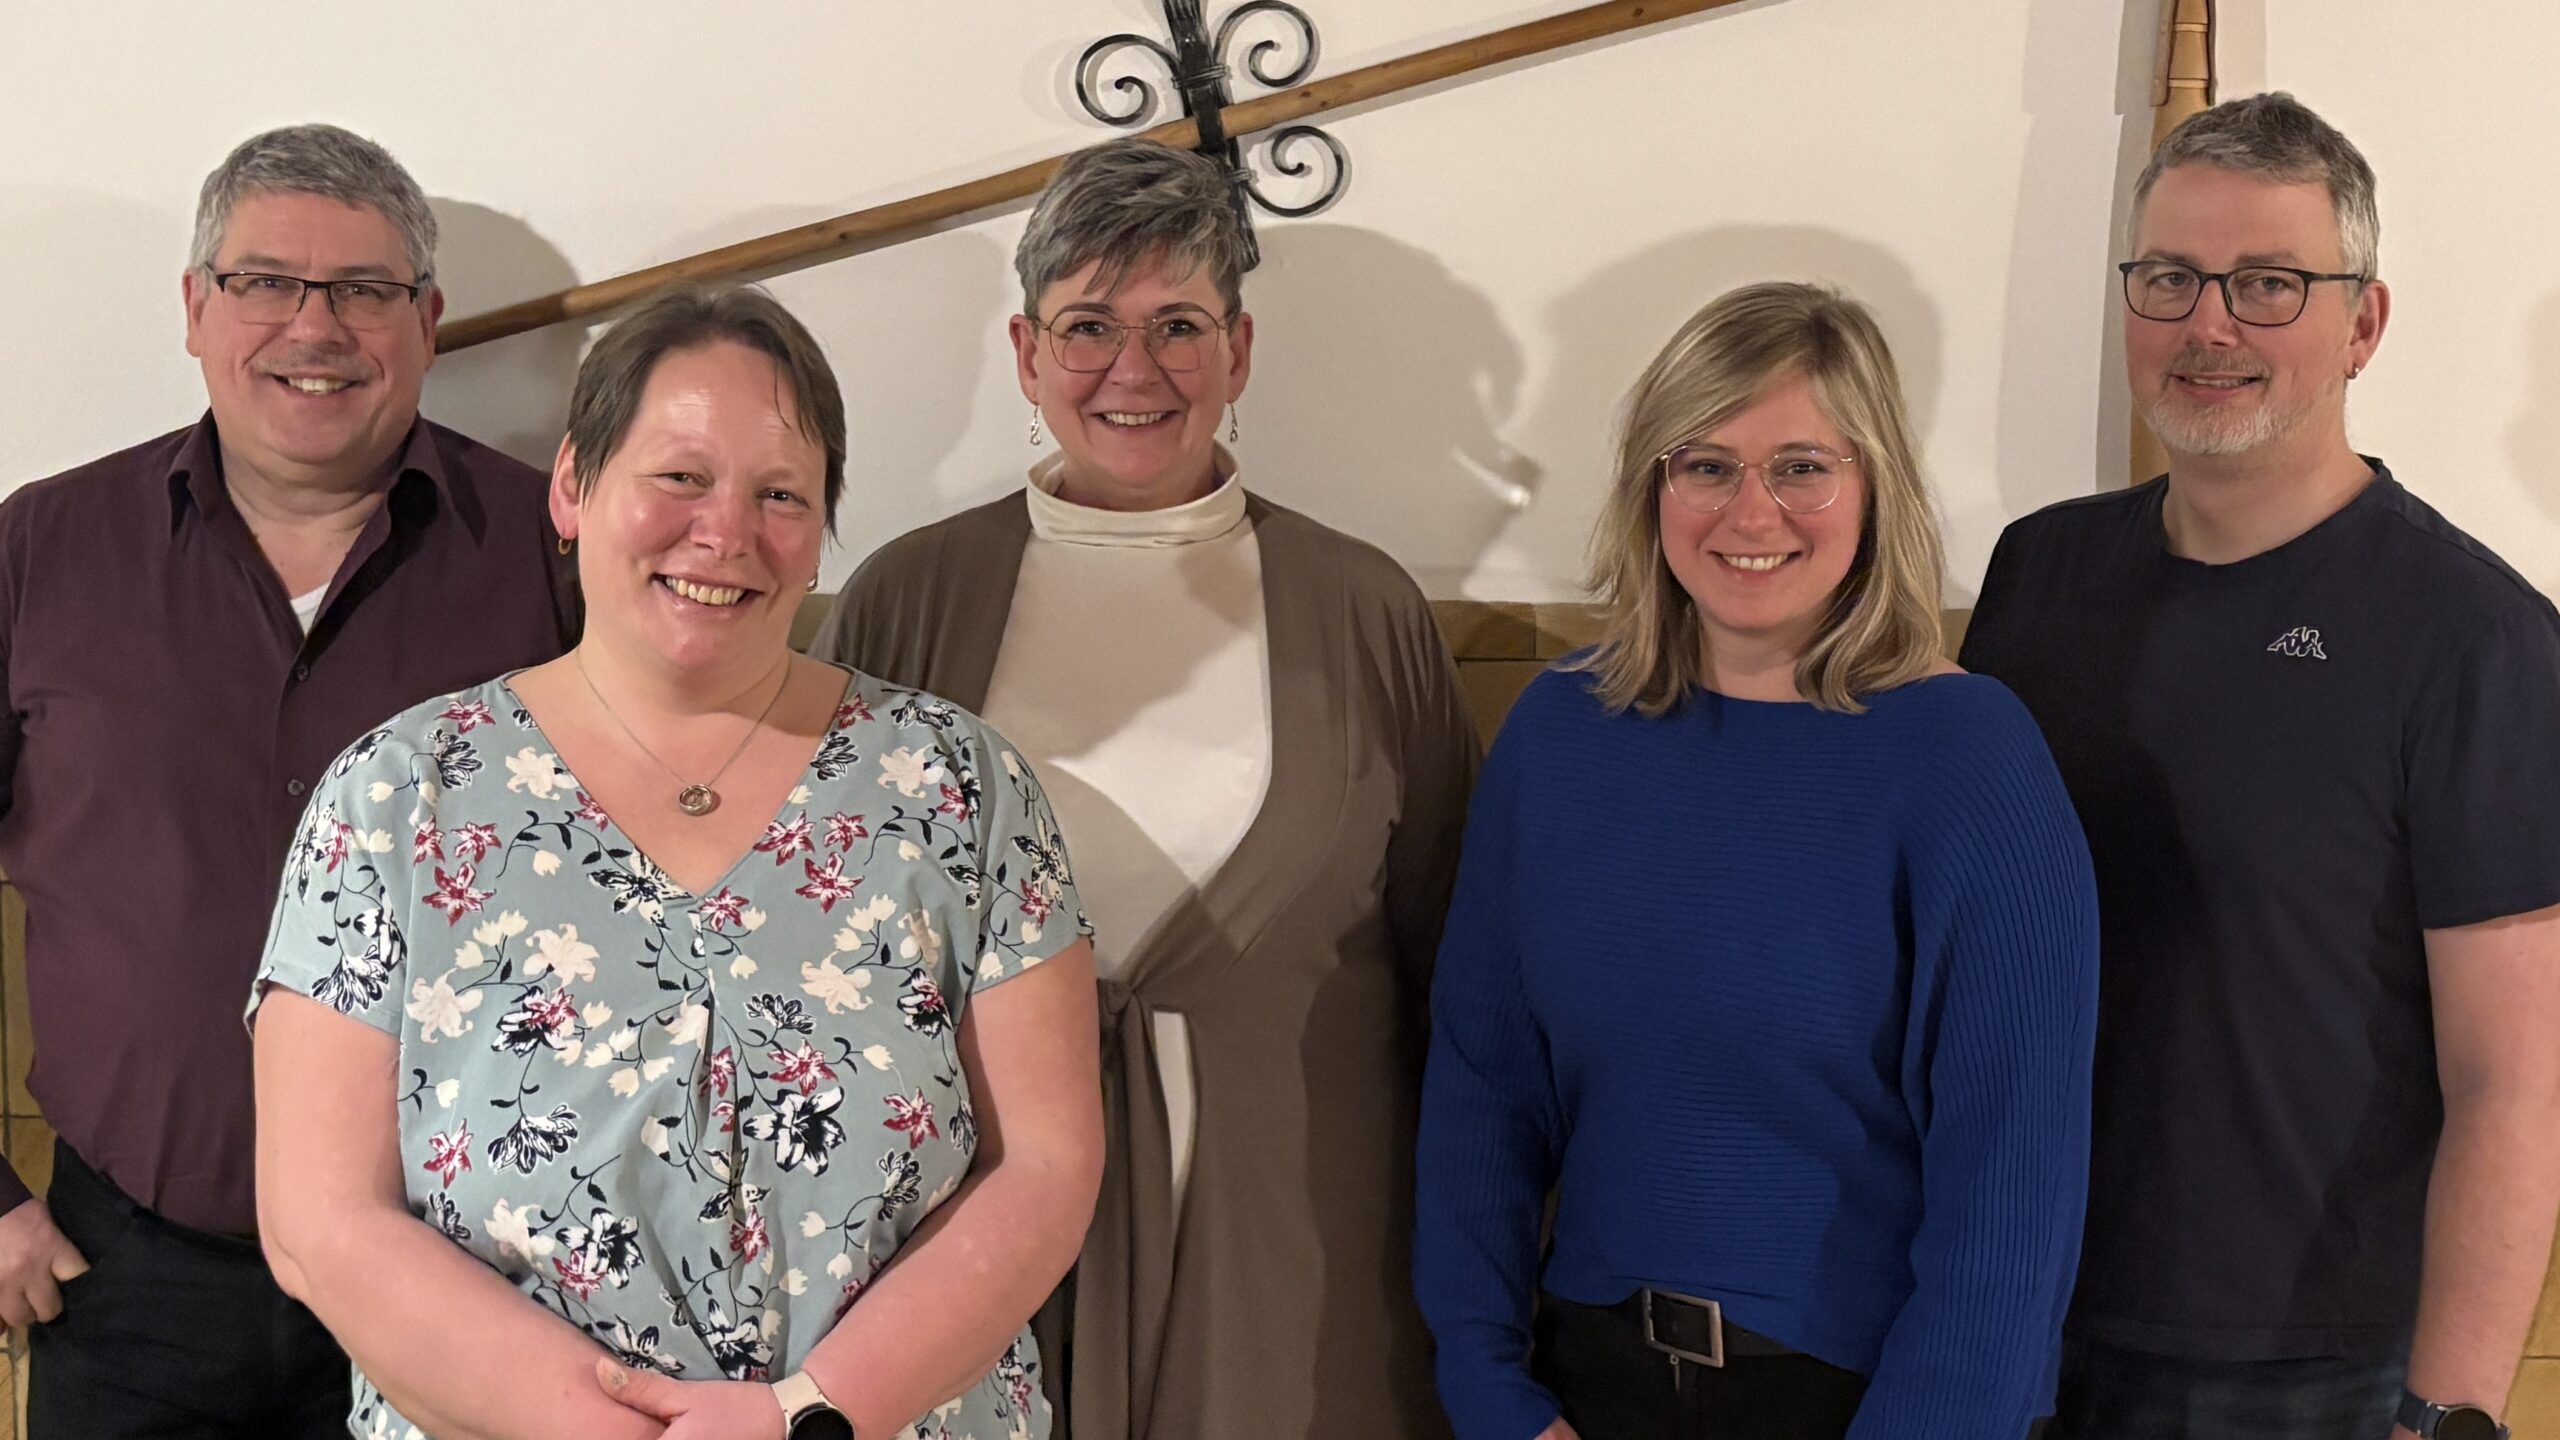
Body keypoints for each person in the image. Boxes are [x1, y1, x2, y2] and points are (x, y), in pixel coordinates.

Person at [249, 284, 1104, 1440]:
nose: (726, 533)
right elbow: (319, 1222)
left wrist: (804, 1416)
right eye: (680, 477)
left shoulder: (961, 786)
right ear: (573, 485)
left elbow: (1043, 1171)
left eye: (780, 495)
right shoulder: (396, 798)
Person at [813, 137, 1477, 1440]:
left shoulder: (1364, 611)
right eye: (1088, 327)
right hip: (967, 1240)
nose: (1135, 369)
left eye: (1178, 324)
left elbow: (1453, 962)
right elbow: (827, 939)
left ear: (1239, 351)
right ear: (1025, 353)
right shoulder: (906, 602)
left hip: (1298, 1245)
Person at [1962, 92, 2560, 1440]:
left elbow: (2514, 1083)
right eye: (2170, 278)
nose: (2210, 325)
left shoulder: (2473, 637)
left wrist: (2449, 1416)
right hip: (2013, 1298)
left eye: (2269, 284)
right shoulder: (2038, 576)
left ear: (2363, 325)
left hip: (2304, 1362)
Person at [1415, 281, 2100, 1440]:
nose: (1751, 511)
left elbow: (2011, 1187)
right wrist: (1490, 1394)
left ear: (1875, 487)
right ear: (1651, 488)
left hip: (1858, 1400)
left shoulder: (1968, 758)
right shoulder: (1558, 733)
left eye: (1801, 467)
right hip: (1581, 1386)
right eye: (1706, 465)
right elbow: (1483, 1089)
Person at [0, 123, 578, 1436]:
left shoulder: (550, 558)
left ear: (427, 323)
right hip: (123, 1281)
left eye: (363, 290)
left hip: (470, 1273)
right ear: (195, 308)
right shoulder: (41, 548)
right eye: (265, 282)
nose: (313, 326)